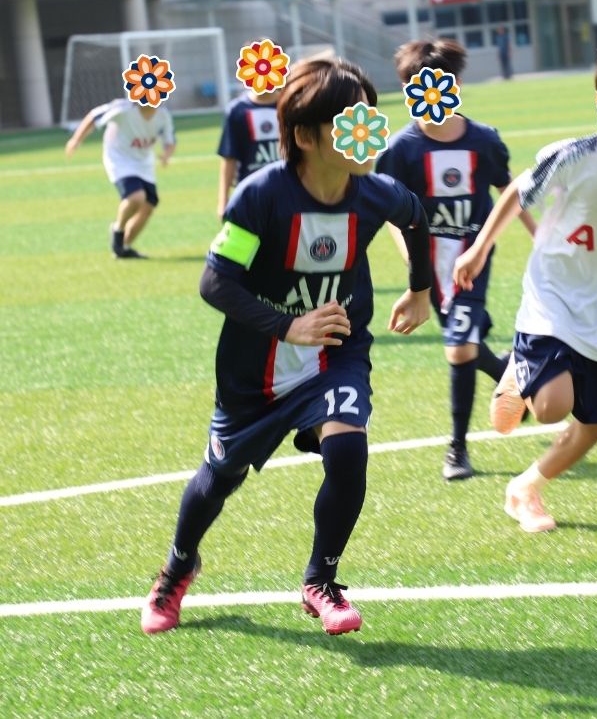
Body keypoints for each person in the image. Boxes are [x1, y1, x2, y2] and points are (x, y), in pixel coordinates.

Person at [140, 57, 432, 635]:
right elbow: (214, 281)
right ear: (305, 136)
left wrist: (420, 290)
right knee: (217, 478)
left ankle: (321, 579)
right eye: (351, 123)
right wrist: (287, 326)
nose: (369, 134)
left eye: (372, 120)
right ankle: (178, 567)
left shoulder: (375, 193)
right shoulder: (261, 196)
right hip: (255, 368)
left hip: (337, 353)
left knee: (348, 452)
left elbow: (416, 218)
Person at [453, 39, 597, 533]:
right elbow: (517, 193)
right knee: (552, 407)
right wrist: (478, 249)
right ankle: (520, 371)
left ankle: (526, 488)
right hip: (554, 297)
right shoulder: (574, 156)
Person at [377, 38, 535, 481]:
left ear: (455, 86)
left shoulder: (484, 140)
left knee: (459, 347)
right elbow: (391, 212)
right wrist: (414, 264)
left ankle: (457, 449)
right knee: (463, 343)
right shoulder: (401, 149)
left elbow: (510, 190)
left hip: (472, 257)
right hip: (430, 263)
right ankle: (506, 370)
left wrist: (538, 234)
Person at [65, 99, 176, 259]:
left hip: (144, 163)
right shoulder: (123, 110)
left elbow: (170, 140)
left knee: (149, 206)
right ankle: (118, 229)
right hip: (119, 160)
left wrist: (166, 154)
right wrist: (76, 140)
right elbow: (94, 116)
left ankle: (123, 247)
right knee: (136, 197)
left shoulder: (163, 115)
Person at [216, 88, 281, 220]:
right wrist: (223, 200)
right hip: (249, 194)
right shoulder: (236, 110)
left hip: (286, 192)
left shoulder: (291, 104)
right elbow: (229, 157)